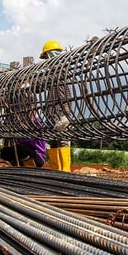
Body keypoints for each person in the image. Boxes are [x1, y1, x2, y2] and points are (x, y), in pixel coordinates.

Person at [39, 40, 72, 172]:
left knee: (63, 140)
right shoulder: (53, 72)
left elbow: (43, 82)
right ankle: (56, 172)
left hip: (62, 112)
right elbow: (40, 87)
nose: (46, 60)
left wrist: (64, 116)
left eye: (47, 56)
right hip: (52, 113)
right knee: (53, 142)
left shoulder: (61, 70)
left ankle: (65, 172)